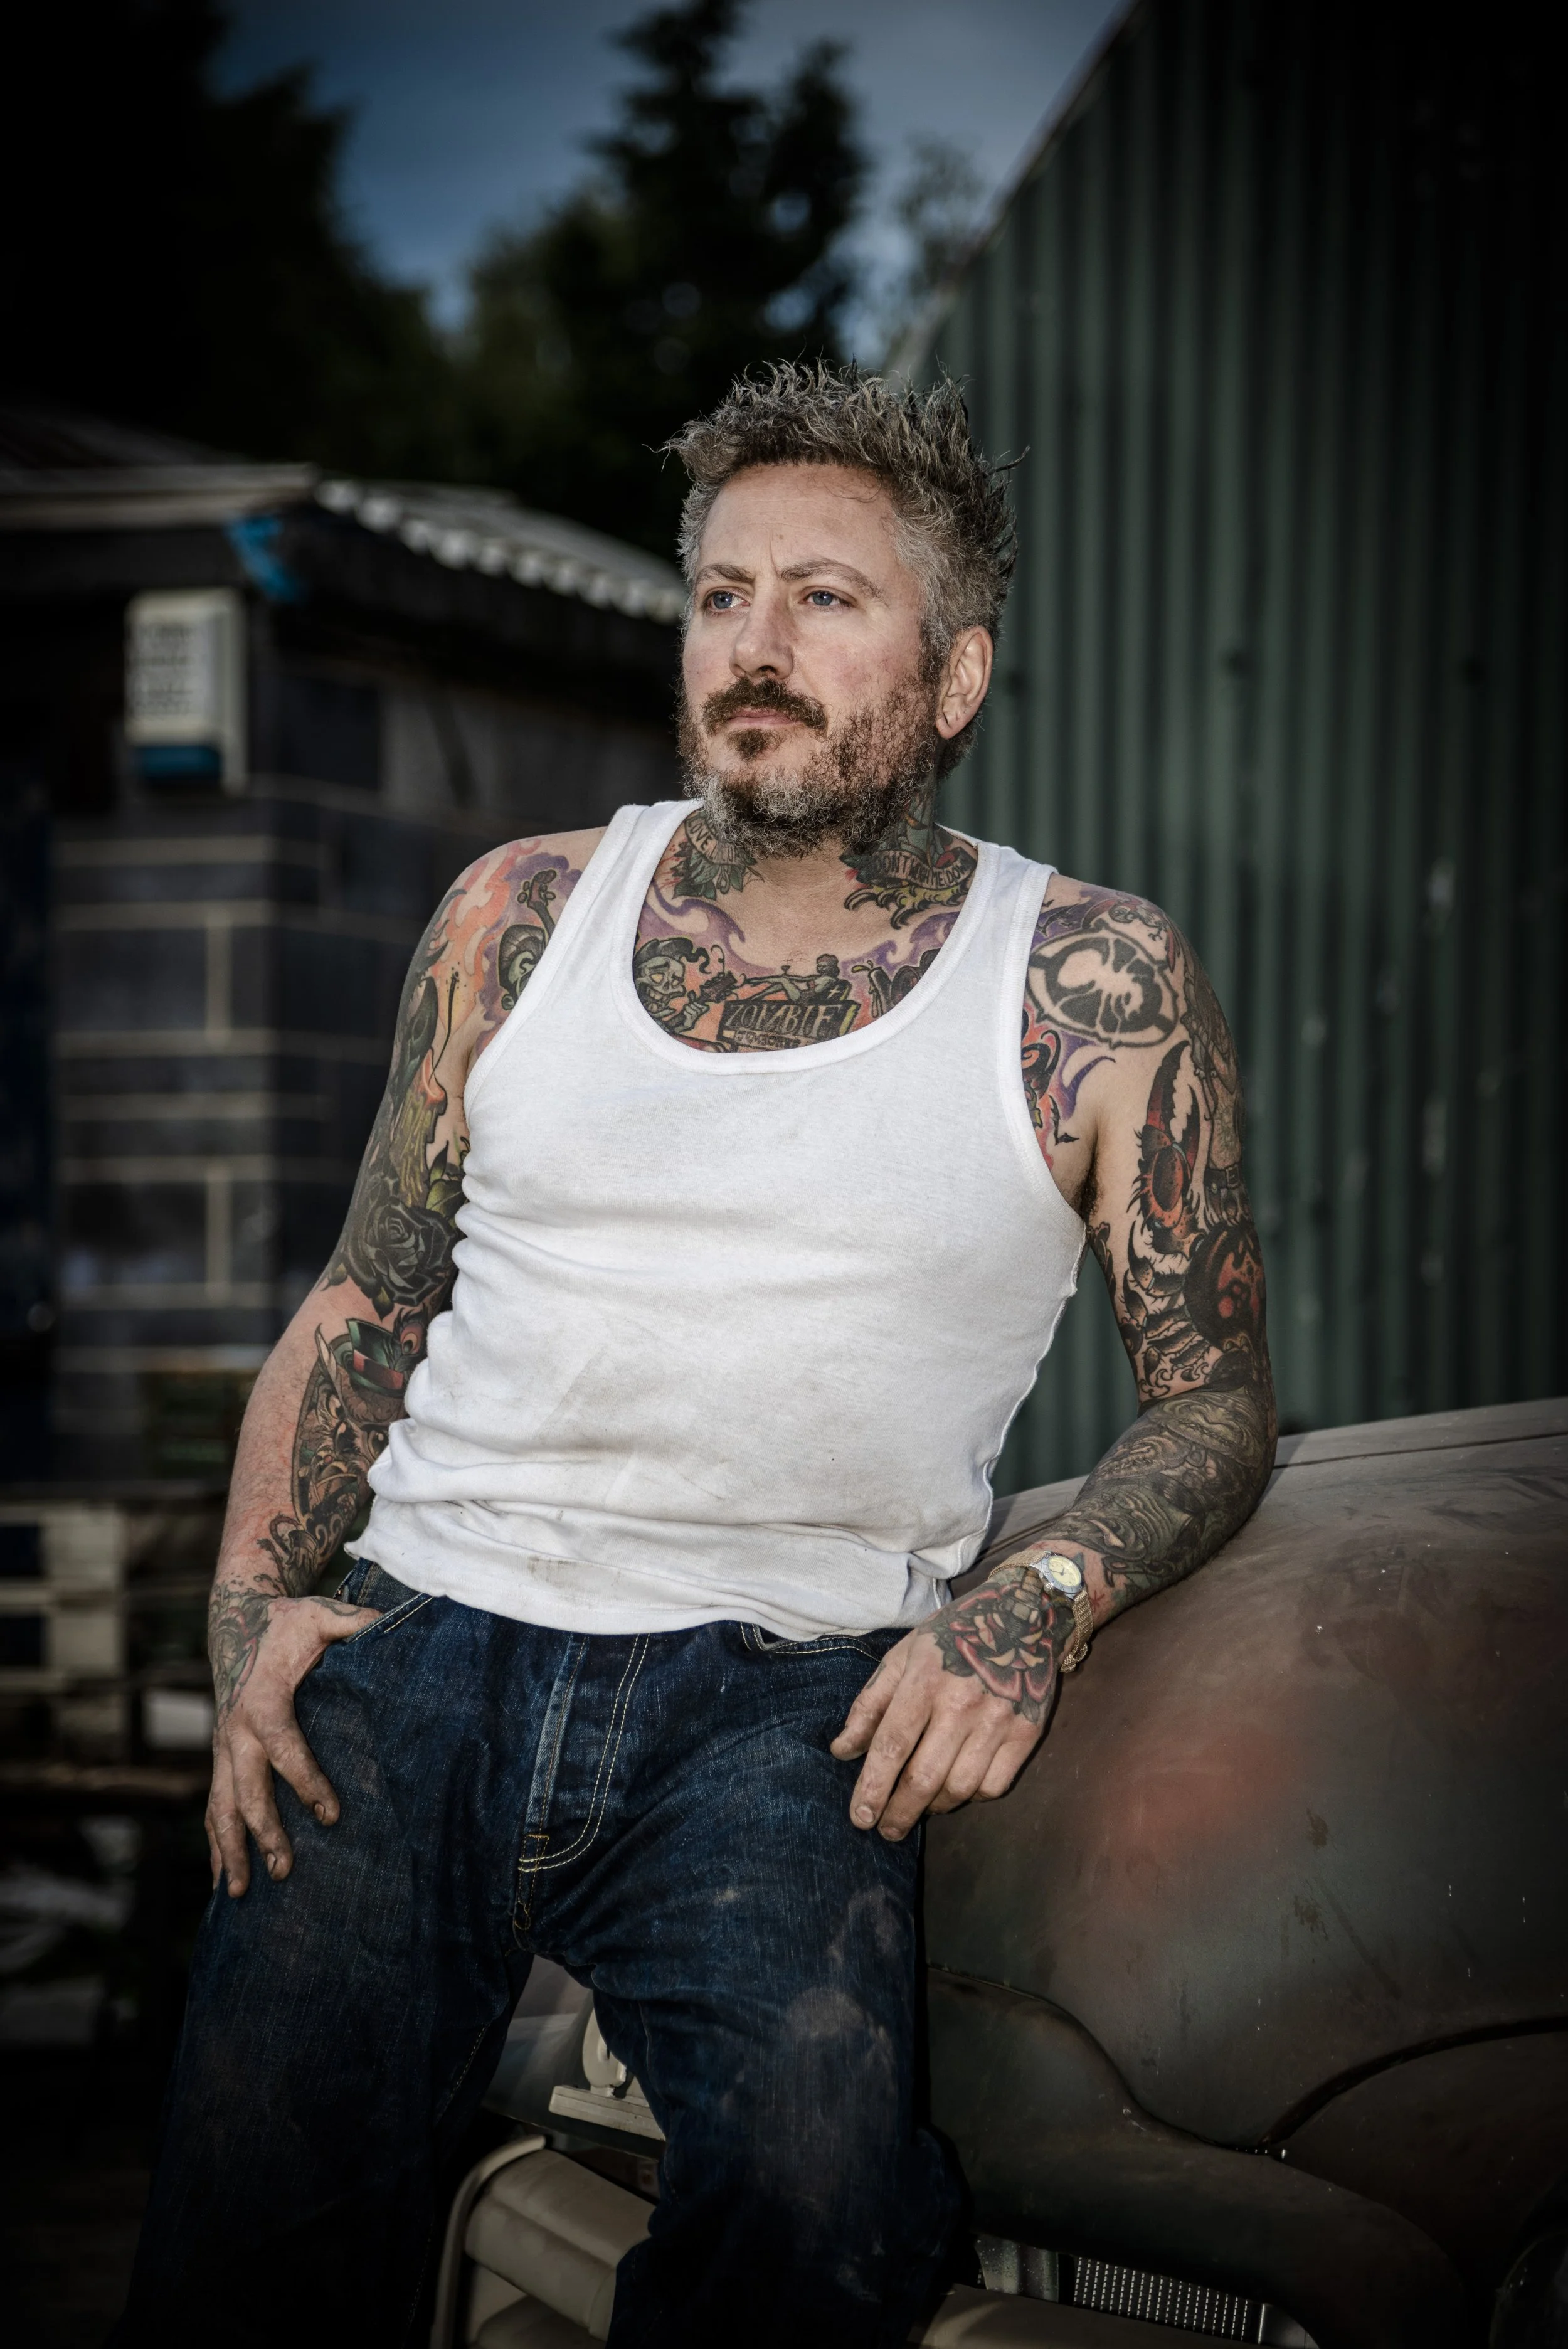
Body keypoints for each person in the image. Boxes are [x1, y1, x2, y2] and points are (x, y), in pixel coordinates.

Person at [115, 364, 1275, 2349]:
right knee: (250, 2246)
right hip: (410, 1656)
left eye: (826, 601)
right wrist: (247, 1606)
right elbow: (364, 1302)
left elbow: (1213, 1395)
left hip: (782, 1704)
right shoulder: (516, 914)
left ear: (956, 671)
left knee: (815, 2225)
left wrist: (1037, 1601)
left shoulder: (1088, 980)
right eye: (723, 596)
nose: (755, 649)